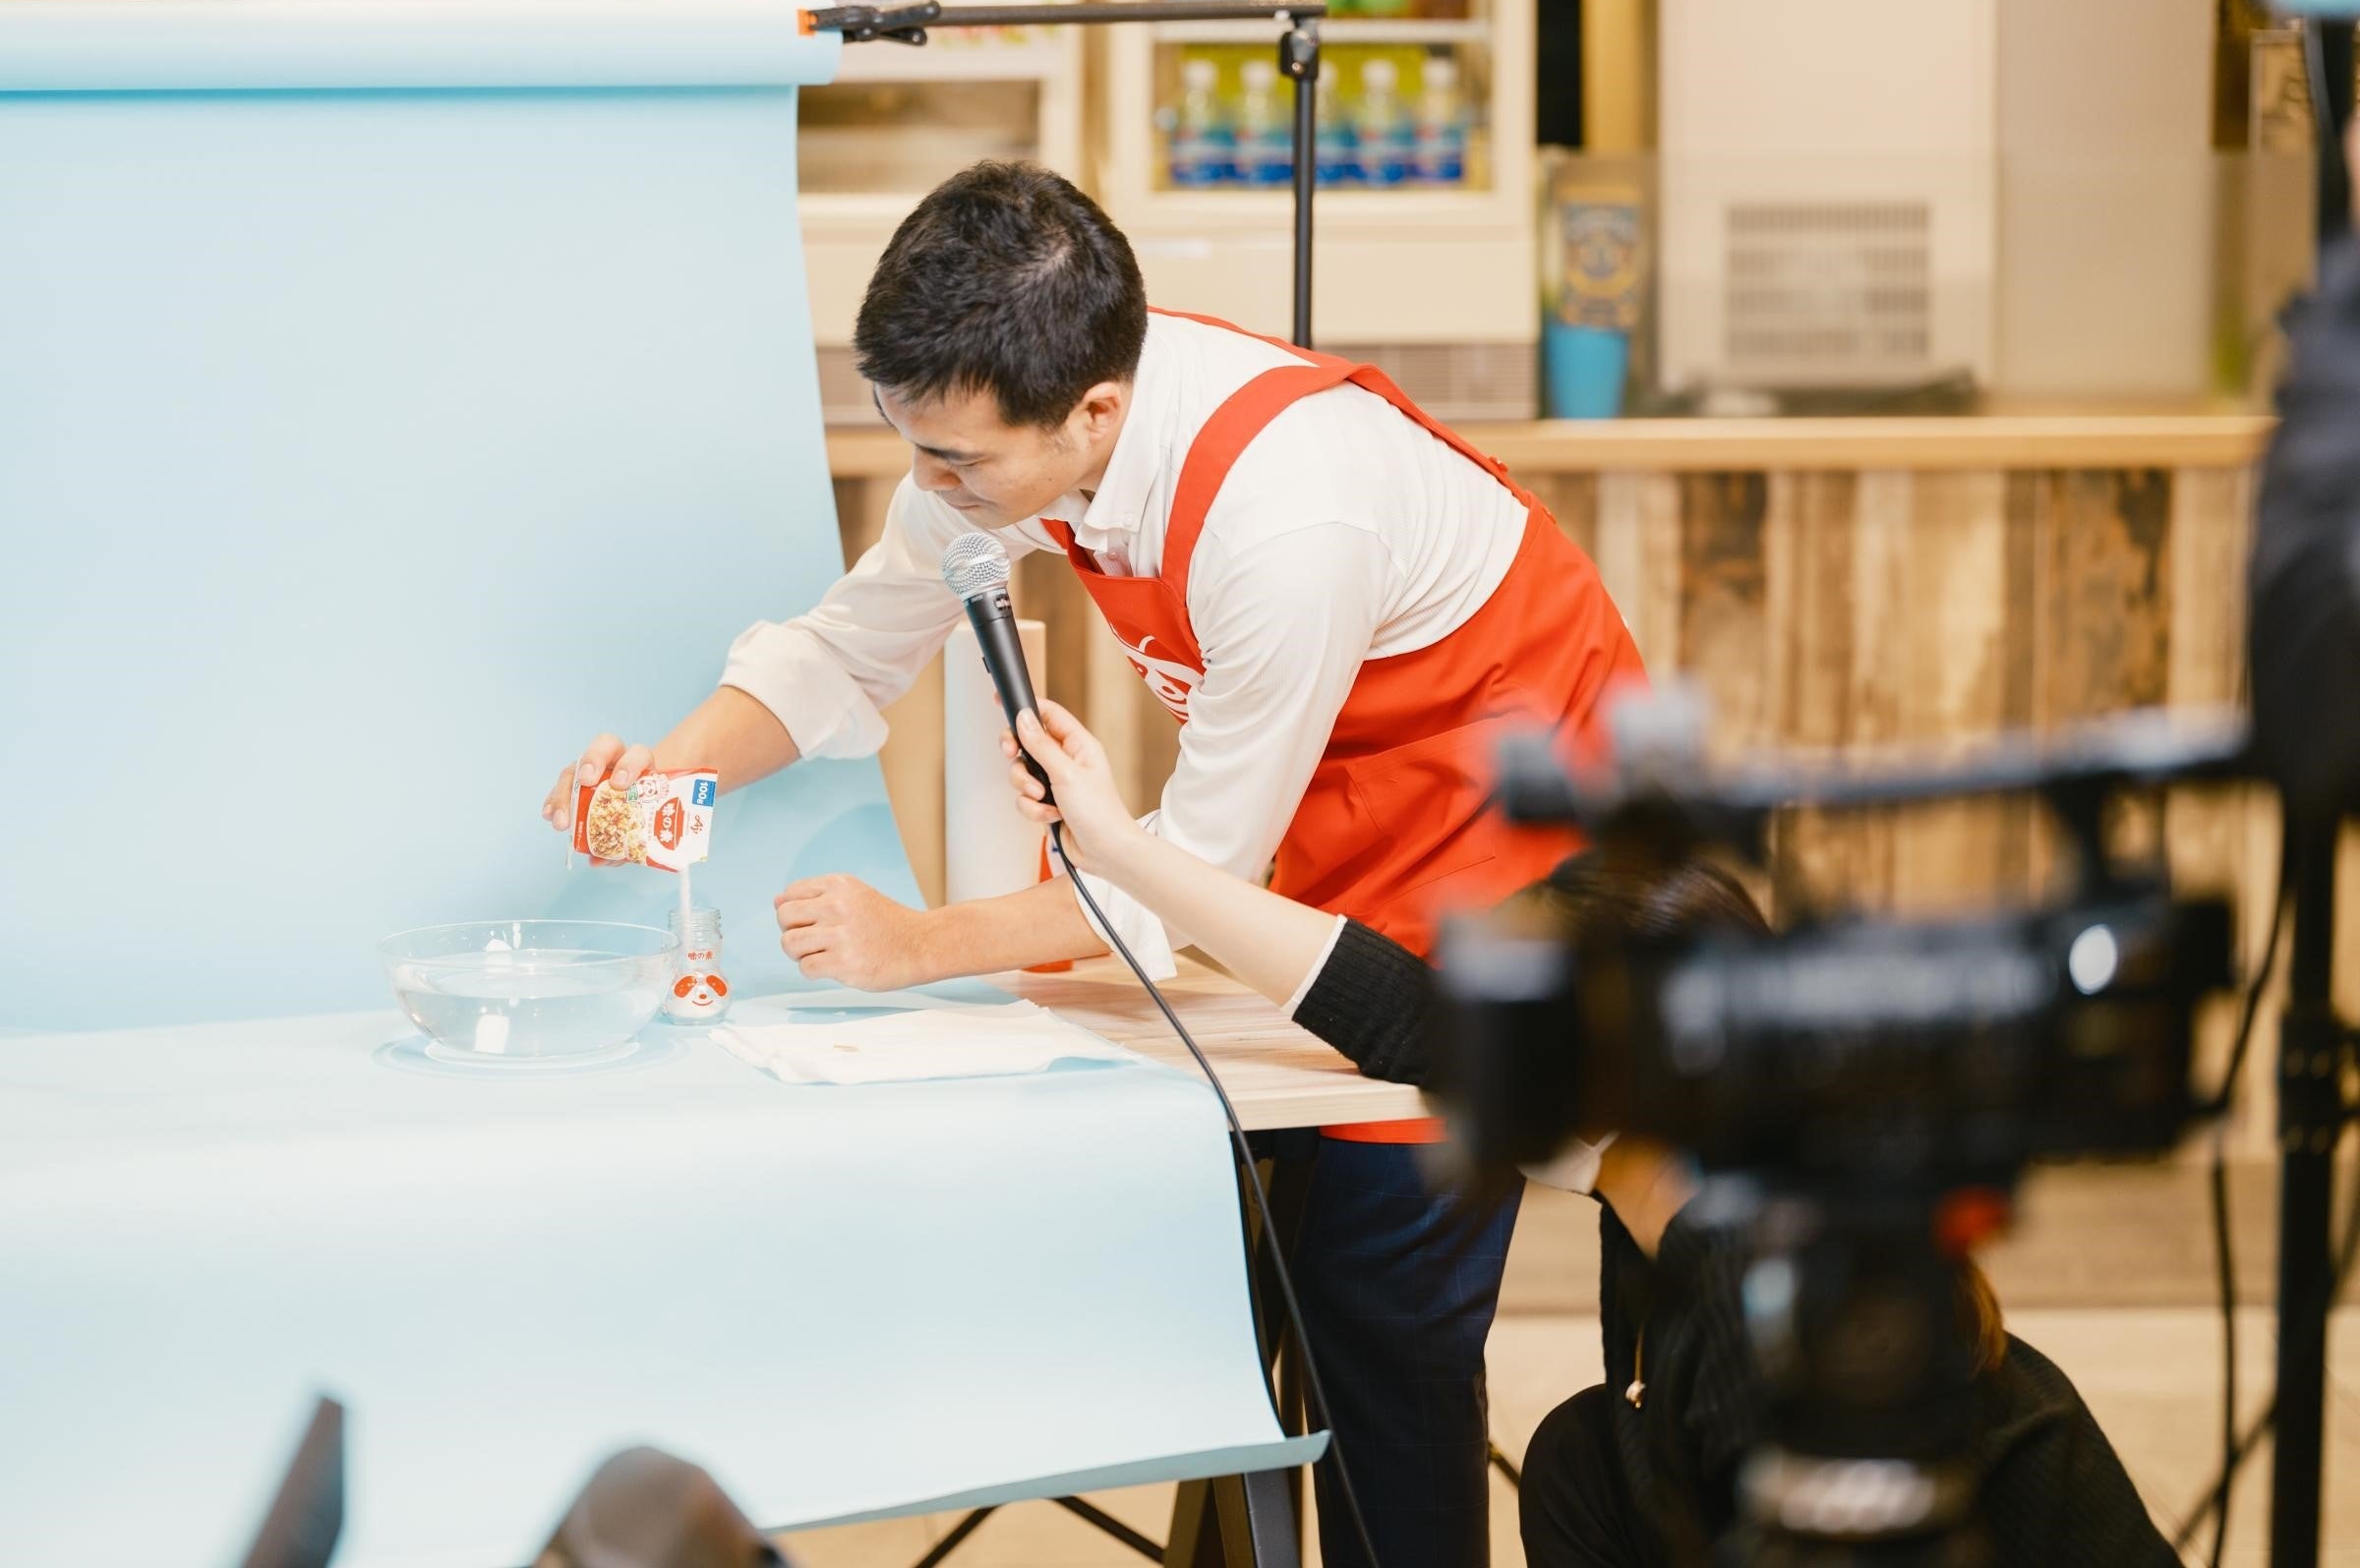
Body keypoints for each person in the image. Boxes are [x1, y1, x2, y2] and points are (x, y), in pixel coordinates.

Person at [543, 160, 1646, 1567]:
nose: (930, 489)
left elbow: (1169, 883)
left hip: (1514, 840)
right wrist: (664, 779)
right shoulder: (1013, 420)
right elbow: (846, 648)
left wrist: (922, 943)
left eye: (958, 463)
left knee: (1378, 1298)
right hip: (1322, 821)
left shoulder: (1288, 520)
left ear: (1096, 415)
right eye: (910, 445)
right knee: (1230, 1257)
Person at [998, 696, 2182, 1568]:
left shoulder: (1744, 1275)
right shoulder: (1681, 1184)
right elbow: (1400, 1015)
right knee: (1583, 1455)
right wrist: (1126, 853)